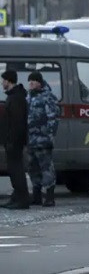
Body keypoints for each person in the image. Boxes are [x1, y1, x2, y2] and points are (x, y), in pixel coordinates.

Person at [26, 71, 60, 207]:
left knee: (46, 168)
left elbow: (53, 118)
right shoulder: (29, 97)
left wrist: (49, 135)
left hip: (43, 139)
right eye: (30, 82)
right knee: (33, 168)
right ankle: (36, 196)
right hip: (31, 139)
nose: (31, 84)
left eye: (33, 81)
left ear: (39, 82)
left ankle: (50, 197)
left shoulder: (48, 97)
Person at [0, 70, 29, 209]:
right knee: (13, 170)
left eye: (3, 80)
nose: (1, 83)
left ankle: (22, 199)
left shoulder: (16, 98)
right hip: (10, 141)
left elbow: (17, 123)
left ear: (8, 80)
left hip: (14, 142)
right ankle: (17, 196)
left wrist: (12, 141)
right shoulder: (13, 96)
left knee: (17, 170)